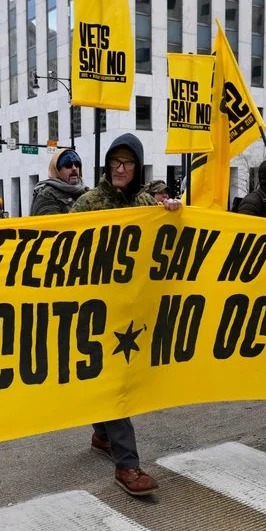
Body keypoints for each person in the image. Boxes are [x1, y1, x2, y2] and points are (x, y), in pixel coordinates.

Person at [70, 133, 181, 497]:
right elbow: (63, 248)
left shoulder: (150, 202)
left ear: (137, 167)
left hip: (134, 307)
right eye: (115, 162)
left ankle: (103, 435)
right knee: (116, 382)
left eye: (128, 163)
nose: (120, 169)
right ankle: (127, 465)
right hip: (98, 308)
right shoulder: (88, 203)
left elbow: (169, 244)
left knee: (112, 379)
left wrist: (174, 216)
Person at [31, 148, 87, 216]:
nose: (74, 168)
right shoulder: (46, 195)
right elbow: (51, 224)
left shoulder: (86, 192)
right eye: (68, 165)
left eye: (77, 164)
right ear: (57, 170)